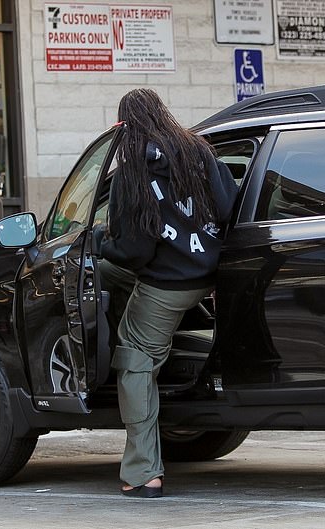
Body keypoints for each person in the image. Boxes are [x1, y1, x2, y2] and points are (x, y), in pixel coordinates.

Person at [93, 88, 239, 498]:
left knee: (136, 359)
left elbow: (135, 250)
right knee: (106, 278)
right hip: (209, 275)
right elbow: (228, 207)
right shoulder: (199, 152)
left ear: (124, 126)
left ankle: (143, 473)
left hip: (166, 287)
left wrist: (101, 241)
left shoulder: (131, 174)